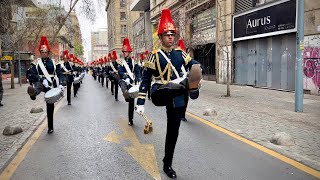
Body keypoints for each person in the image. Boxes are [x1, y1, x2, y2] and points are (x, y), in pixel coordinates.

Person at [135, 8, 202, 179]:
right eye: (167, 34)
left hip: (177, 95)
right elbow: (145, 80)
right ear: (160, 37)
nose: (171, 37)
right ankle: (187, 87)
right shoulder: (154, 56)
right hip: (160, 92)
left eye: (172, 34)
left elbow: (192, 64)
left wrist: (196, 68)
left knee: (173, 132)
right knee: (173, 87)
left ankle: (167, 164)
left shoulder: (180, 53)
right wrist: (141, 102)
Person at [27, 35, 64, 134]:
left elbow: (60, 73)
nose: (43, 53)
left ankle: (50, 127)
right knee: (38, 85)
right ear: (40, 52)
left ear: (48, 52)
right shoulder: (36, 62)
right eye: (42, 52)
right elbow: (33, 74)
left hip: (51, 85)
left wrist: (60, 84)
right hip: (41, 83)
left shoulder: (54, 62)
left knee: (50, 106)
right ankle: (33, 93)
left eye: (45, 52)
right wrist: (41, 79)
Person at [118, 38, 135, 126]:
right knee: (124, 89)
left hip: (132, 81)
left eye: (126, 52)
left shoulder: (133, 61)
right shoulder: (121, 62)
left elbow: (137, 71)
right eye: (123, 52)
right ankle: (126, 95)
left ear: (129, 52)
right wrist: (125, 77)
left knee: (132, 102)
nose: (124, 53)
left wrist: (138, 78)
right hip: (125, 81)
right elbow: (120, 71)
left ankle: (130, 119)